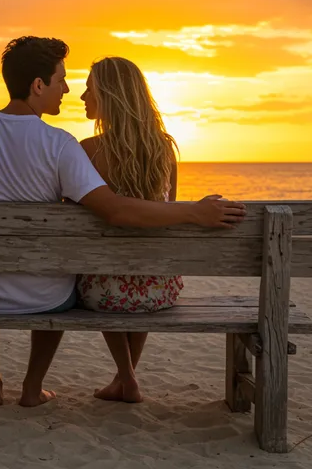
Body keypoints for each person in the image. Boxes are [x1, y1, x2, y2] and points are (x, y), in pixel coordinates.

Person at [0, 37, 245, 408]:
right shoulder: (62, 144)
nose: (68, 90)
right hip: (50, 296)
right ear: (38, 85)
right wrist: (194, 212)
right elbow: (114, 209)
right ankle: (33, 386)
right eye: (61, 80)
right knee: (64, 276)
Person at [77, 57, 187, 404]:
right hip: (160, 290)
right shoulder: (164, 149)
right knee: (140, 267)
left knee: (102, 274)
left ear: (109, 96)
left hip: (101, 292)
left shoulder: (89, 151)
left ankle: (126, 378)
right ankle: (125, 380)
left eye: (89, 89)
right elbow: (166, 213)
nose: (82, 96)